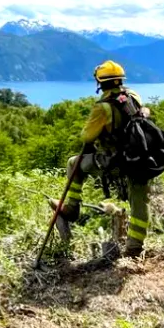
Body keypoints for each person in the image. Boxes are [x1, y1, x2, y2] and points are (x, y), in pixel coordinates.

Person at [56, 60, 152, 258]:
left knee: (74, 163)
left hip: (115, 162)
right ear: (120, 80)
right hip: (141, 157)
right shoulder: (134, 96)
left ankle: (72, 208)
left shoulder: (103, 108)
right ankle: (134, 248)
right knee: (139, 201)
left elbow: (87, 137)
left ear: (100, 83)